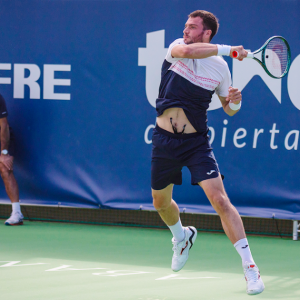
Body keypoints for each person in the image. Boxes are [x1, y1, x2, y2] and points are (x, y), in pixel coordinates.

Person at [151, 10, 264, 295]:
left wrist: (235, 102)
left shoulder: (220, 70)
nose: (186, 30)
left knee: (221, 201)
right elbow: (187, 49)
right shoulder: (178, 48)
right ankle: (182, 236)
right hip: (164, 141)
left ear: (207, 33)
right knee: (160, 204)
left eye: (192, 27)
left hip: (196, 143)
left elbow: (229, 108)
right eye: (186, 26)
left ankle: (250, 268)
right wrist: (230, 50)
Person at [0, 93, 23, 225]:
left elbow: (4, 127)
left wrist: (4, 153)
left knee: (4, 167)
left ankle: (17, 213)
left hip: (3, 137)